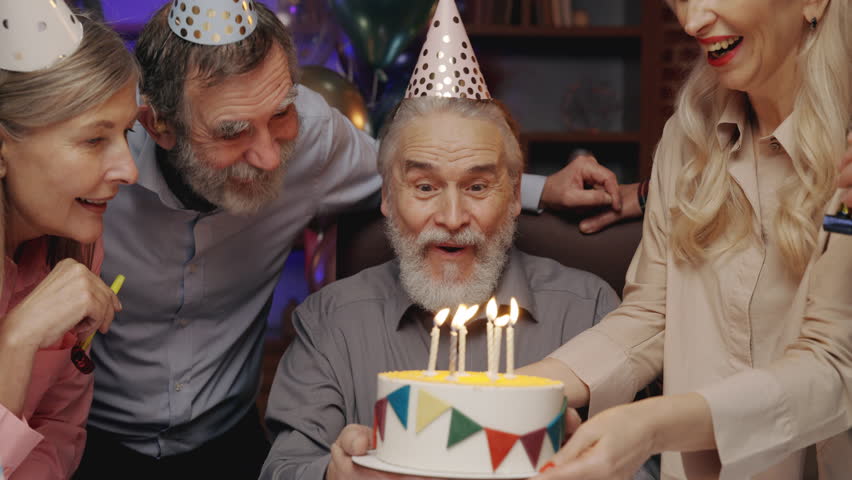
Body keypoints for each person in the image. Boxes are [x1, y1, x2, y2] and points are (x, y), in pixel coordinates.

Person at [74, 1, 638, 479]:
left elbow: (412, 167)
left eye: (281, 115)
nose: (272, 157)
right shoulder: (90, 176)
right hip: (92, 438)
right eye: (232, 132)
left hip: (226, 437)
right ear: (157, 126)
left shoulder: (313, 140)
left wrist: (539, 188)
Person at [519, 0, 852, 479]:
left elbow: (834, 365)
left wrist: (652, 426)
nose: (691, 20)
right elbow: (653, 313)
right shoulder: (686, 137)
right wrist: (519, 388)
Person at [258, 95, 630, 480]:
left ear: (515, 195)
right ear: (387, 195)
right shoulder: (331, 321)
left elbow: (648, 468)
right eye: (424, 187)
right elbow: (284, 468)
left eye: (478, 186)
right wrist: (333, 476)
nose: (452, 218)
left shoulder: (589, 312)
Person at [0, 2, 139, 478]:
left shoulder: (76, 247)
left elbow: (58, 428)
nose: (130, 170)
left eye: (127, 133)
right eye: (94, 140)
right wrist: (17, 342)